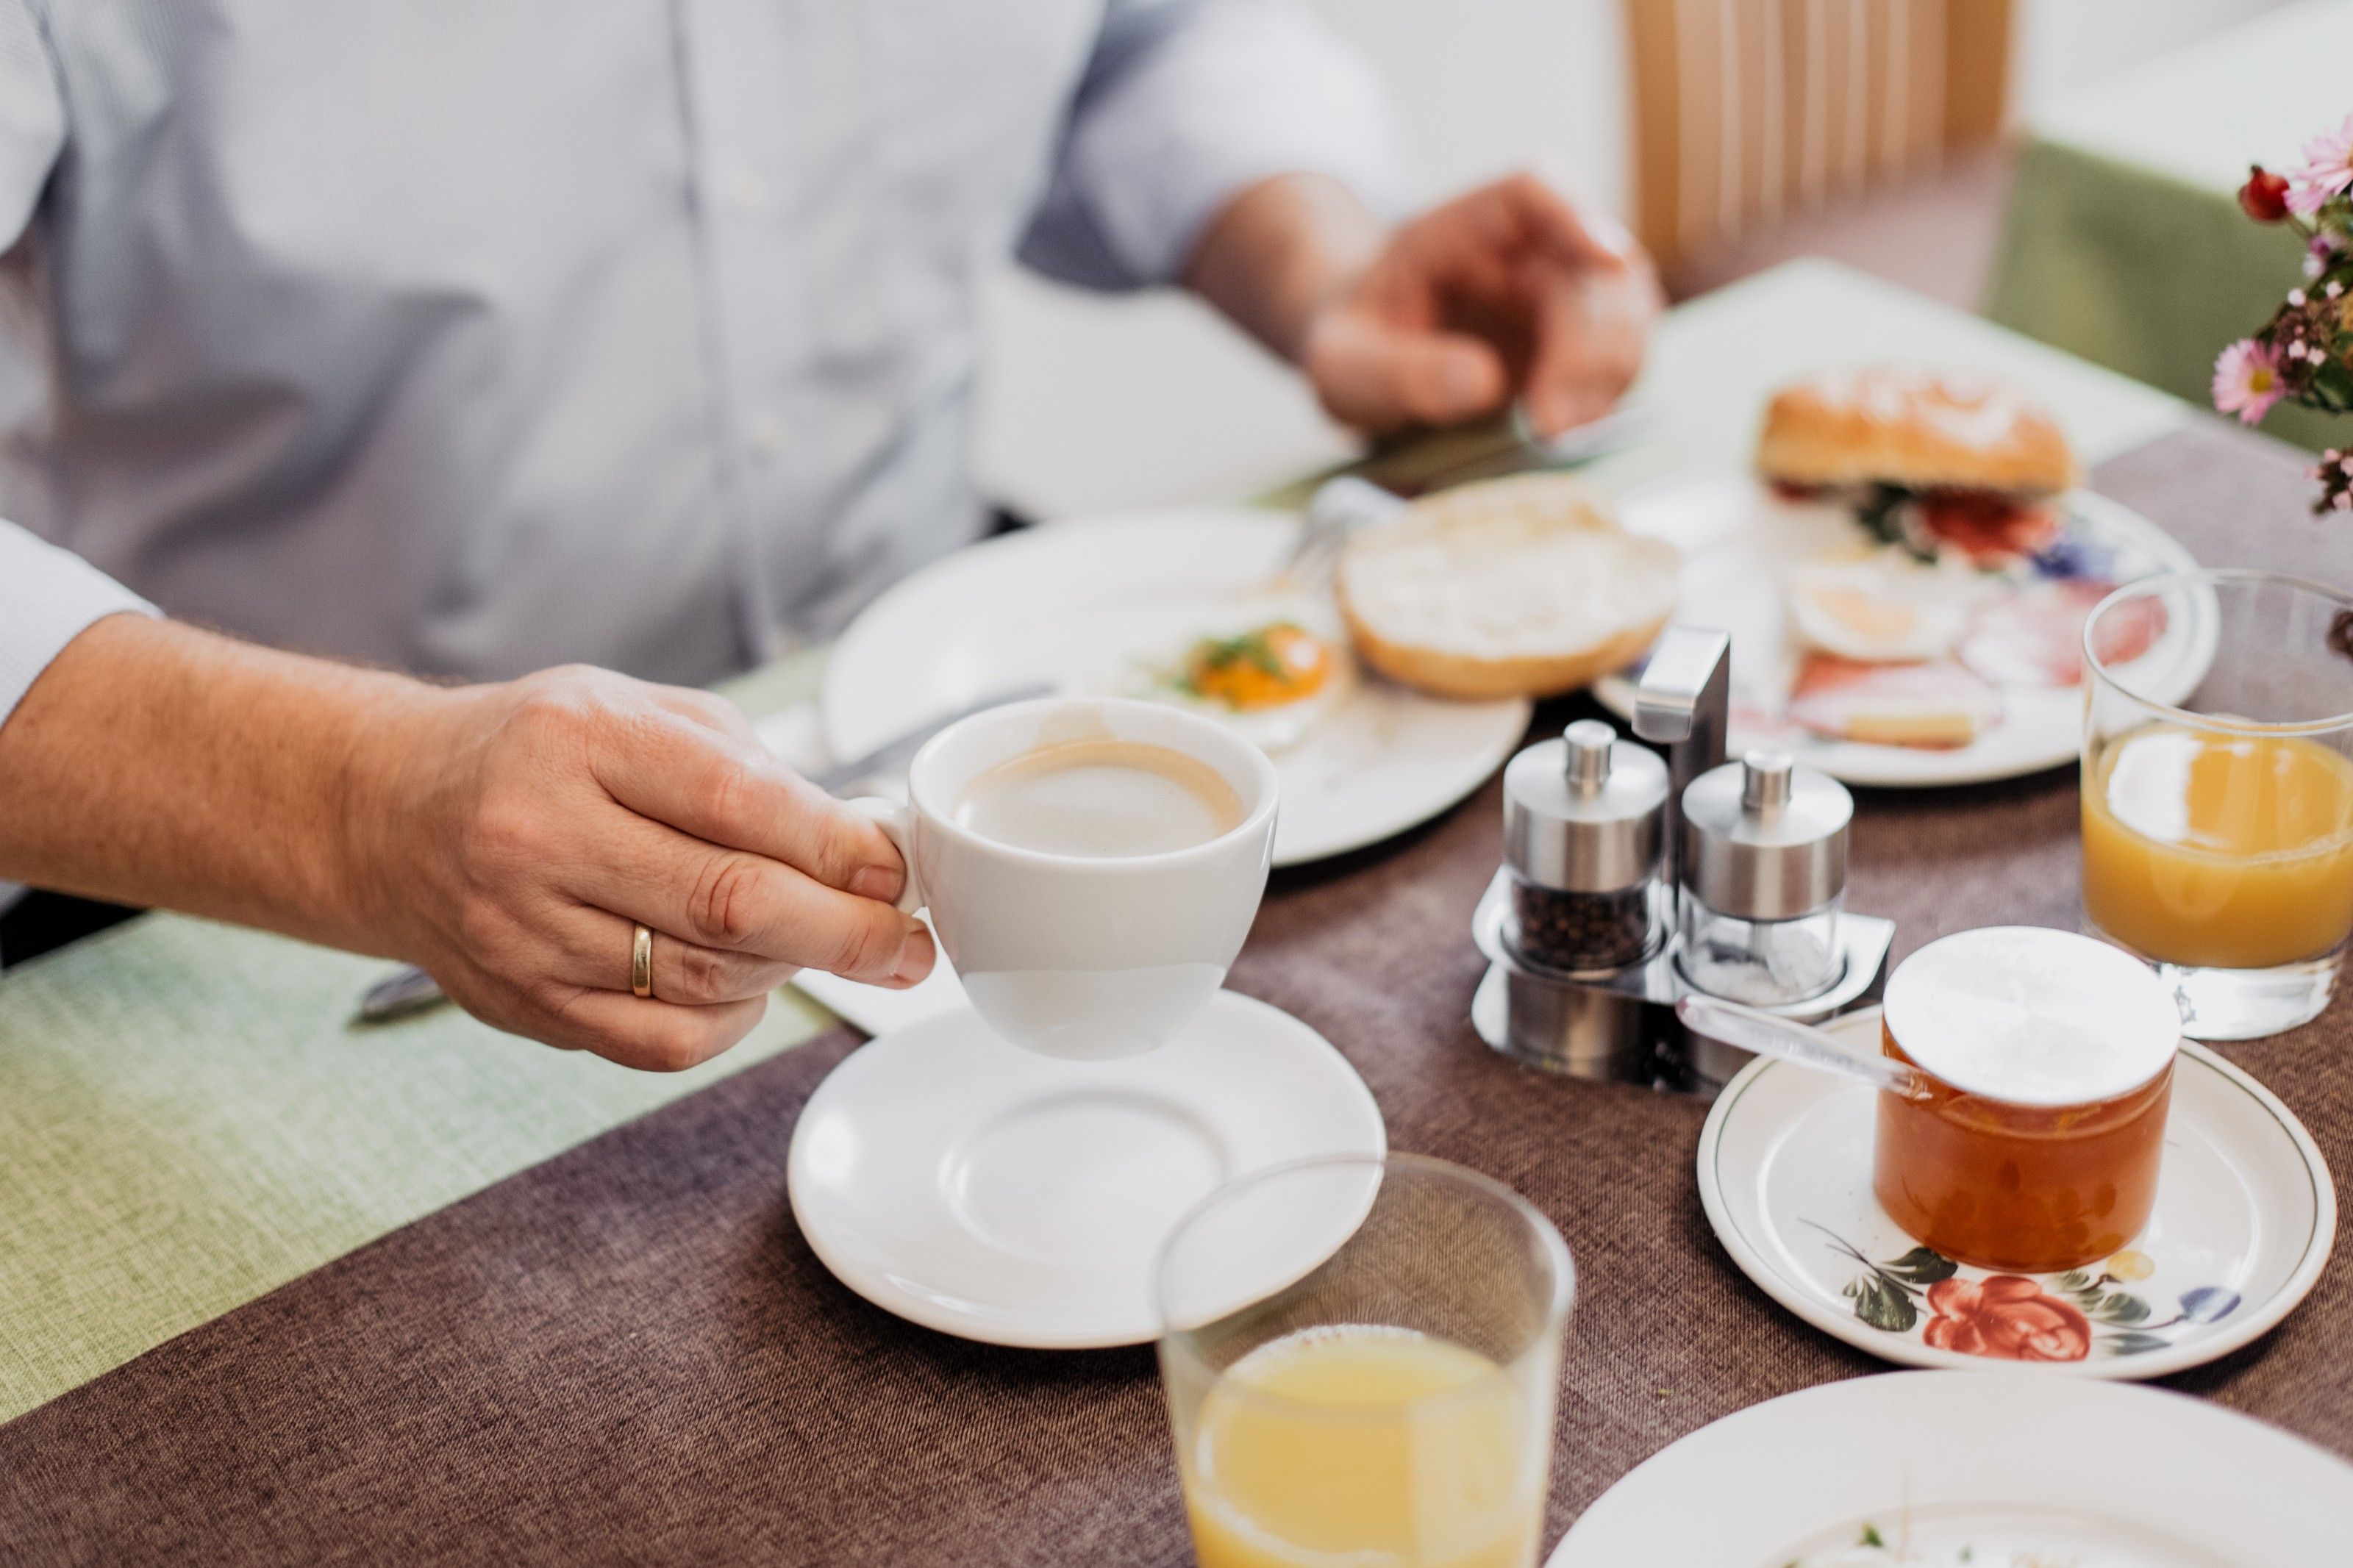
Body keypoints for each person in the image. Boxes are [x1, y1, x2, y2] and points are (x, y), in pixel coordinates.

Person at [0, 1, 1659, 1070]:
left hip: (924, 690)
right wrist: (363, 806)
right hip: (235, 879)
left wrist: (1315, 254)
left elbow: (1141, 45)